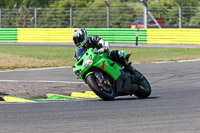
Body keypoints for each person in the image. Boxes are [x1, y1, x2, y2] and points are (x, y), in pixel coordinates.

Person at [73, 28, 142, 81]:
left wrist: (104, 48)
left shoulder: (93, 39)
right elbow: (78, 61)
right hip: (93, 62)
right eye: (76, 40)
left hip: (104, 55)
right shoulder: (79, 50)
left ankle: (133, 72)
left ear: (84, 36)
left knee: (116, 53)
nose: (78, 42)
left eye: (79, 39)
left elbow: (104, 43)